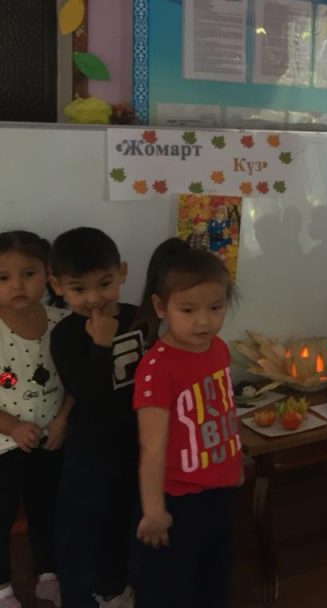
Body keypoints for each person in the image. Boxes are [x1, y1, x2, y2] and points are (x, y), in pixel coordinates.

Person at [132, 239, 242, 608]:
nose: (204, 320)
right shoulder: (157, 367)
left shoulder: (219, 349)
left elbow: (224, 411)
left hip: (219, 489)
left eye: (216, 307)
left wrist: (235, 464)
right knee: (170, 588)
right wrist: (153, 511)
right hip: (177, 501)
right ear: (161, 307)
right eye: (189, 309)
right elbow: (151, 448)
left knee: (214, 575)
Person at [49, 227, 143, 608]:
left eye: (104, 283)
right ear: (57, 286)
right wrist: (102, 344)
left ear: (122, 272)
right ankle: (80, 595)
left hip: (137, 443)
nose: (93, 298)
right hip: (91, 450)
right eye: (78, 289)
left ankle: (116, 588)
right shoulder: (65, 335)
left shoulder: (139, 318)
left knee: (125, 519)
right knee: (84, 527)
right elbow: (86, 393)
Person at [0, 231, 70, 608]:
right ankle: (3, 589)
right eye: (3, 277)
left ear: (48, 275)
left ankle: (49, 574)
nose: (17, 285)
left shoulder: (63, 323)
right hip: (4, 444)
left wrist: (63, 420)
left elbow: (79, 381)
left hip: (50, 438)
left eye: (28, 274)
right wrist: (12, 426)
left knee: (49, 510)